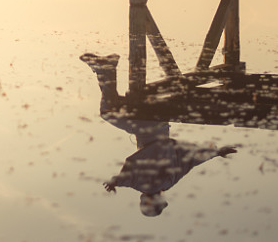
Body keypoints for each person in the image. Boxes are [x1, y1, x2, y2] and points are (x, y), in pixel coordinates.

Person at [80, 53, 238, 216]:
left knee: (115, 106)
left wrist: (216, 152)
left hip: (161, 124)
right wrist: (115, 182)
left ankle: (106, 69)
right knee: (108, 112)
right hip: (146, 126)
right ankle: (106, 69)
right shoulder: (147, 185)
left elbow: (192, 160)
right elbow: (128, 177)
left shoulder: (170, 180)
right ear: (147, 201)